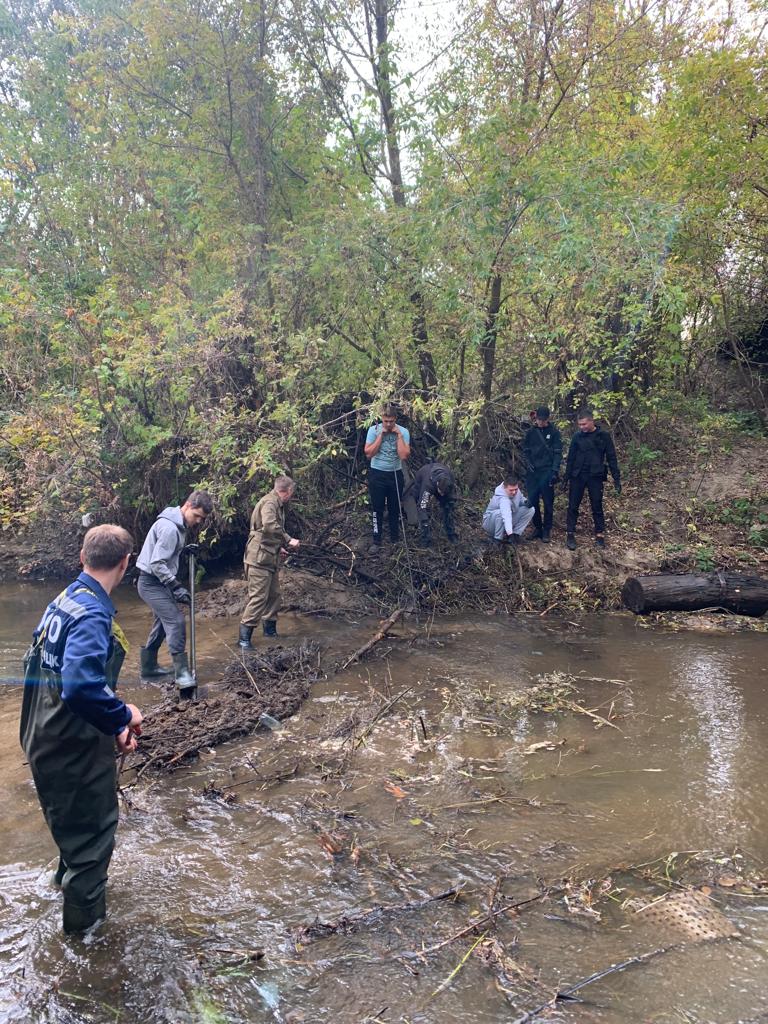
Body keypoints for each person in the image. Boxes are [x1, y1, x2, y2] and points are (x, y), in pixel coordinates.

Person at [19, 524, 143, 934]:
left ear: (82, 558)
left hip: (43, 737)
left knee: (71, 828)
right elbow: (80, 686)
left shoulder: (64, 600)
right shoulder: (92, 613)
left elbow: (52, 676)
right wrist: (124, 715)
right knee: (92, 844)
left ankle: (61, 887)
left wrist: (109, 726)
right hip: (69, 748)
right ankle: (83, 947)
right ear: (125, 563)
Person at [135, 490, 213, 692]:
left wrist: (183, 550)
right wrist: (175, 586)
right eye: (196, 516)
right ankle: (183, 675)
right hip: (151, 582)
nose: (197, 521)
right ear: (187, 505)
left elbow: (166, 552)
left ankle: (149, 668)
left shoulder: (177, 525)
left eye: (201, 519)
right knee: (176, 621)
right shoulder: (171, 527)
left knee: (162, 623)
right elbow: (157, 562)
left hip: (156, 581)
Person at [238, 475, 300, 648]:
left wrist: (278, 547)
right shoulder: (270, 503)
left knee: (274, 596)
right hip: (258, 559)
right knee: (258, 597)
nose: (291, 497)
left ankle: (269, 631)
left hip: (268, 556)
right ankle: (244, 640)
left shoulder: (276, 503)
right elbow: (269, 526)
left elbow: (265, 532)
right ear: (286, 491)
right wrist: (288, 539)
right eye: (291, 493)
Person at [563, 409, 621, 550]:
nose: (582, 427)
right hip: (578, 475)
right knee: (573, 505)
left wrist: (616, 479)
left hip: (595, 476)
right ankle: (570, 534)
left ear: (591, 421)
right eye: (580, 425)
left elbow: (612, 458)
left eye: (584, 424)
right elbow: (570, 458)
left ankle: (600, 535)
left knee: (597, 505)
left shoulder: (603, 436)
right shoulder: (577, 437)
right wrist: (566, 478)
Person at [364, 404, 411, 550]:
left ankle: (394, 539)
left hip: (395, 473)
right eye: (386, 421)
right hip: (377, 473)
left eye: (391, 421)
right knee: (377, 507)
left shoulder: (403, 432)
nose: (389, 424)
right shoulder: (374, 430)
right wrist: (381, 436)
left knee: (394, 508)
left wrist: (399, 436)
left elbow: (403, 455)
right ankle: (376, 540)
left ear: (395, 419)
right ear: (382, 419)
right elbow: (369, 453)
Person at [523, 406, 562, 543]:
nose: (540, 422)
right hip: (533, 472)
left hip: (547, 471)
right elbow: (526, 449)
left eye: (542, 420)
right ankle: (538, 528)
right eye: (538, 419)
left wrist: (554, 471)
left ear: (547, 419)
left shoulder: (554, 433)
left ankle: (547, 530)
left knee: (548, 502)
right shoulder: (531, 432)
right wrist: (528, 463)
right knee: (533, 502)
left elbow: (558, 453)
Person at [402, 461, 458, 547]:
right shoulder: (428, 485)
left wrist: (449, 504)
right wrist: (425, 522)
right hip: (423, 477)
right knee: (420, 505)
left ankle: (451, 534)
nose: (441, 494)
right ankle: (425, 538)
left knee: (448, 507)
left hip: (441, 480)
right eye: (440, 492)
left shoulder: (449, 479)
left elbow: (451, 498)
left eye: (443, 493)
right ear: (437, 484)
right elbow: (422, 506)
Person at [483, 477, 535, 544]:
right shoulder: (503, 499)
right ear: (505, 488)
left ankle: (516, 535)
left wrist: (525, 502)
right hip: (490, 523)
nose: (514, 492)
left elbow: (520, 498)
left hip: (504, 520)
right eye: (511, 490)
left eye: (516, 489)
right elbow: (506, 516)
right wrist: (510, 534)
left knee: (530, 509)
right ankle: (497, 539)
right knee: (500, 513)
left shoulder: (516, 491)